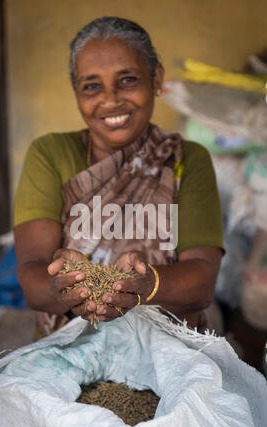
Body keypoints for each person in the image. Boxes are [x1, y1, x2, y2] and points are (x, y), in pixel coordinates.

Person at [13, 17, 224, 337]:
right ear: (76, 93)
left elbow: (203, 282)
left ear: (156, 78)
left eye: (127, 80)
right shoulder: (50, 154)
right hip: (66, 349)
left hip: (168, 350)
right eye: (92, 86)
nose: (110, 100)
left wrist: (147, 284)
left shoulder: (185, 160)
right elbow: (31, 278)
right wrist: (62, 287)